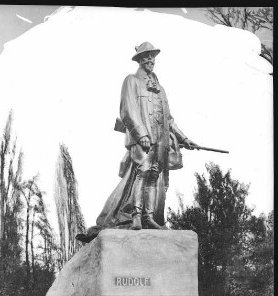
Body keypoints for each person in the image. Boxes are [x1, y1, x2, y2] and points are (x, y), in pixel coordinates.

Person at [77, 42, 198, 243]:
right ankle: (135, 216)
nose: (150, 60)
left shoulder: (161, 89)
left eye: (152, 57)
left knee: (154, 176)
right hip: (141, 139)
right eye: (146, 57)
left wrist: (184, 138)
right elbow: (128, 110)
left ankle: (149, 217)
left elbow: (169, 119)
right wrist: (141, 134)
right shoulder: (131, 81)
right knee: (142, 173)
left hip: (160, 141)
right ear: (139, 60)